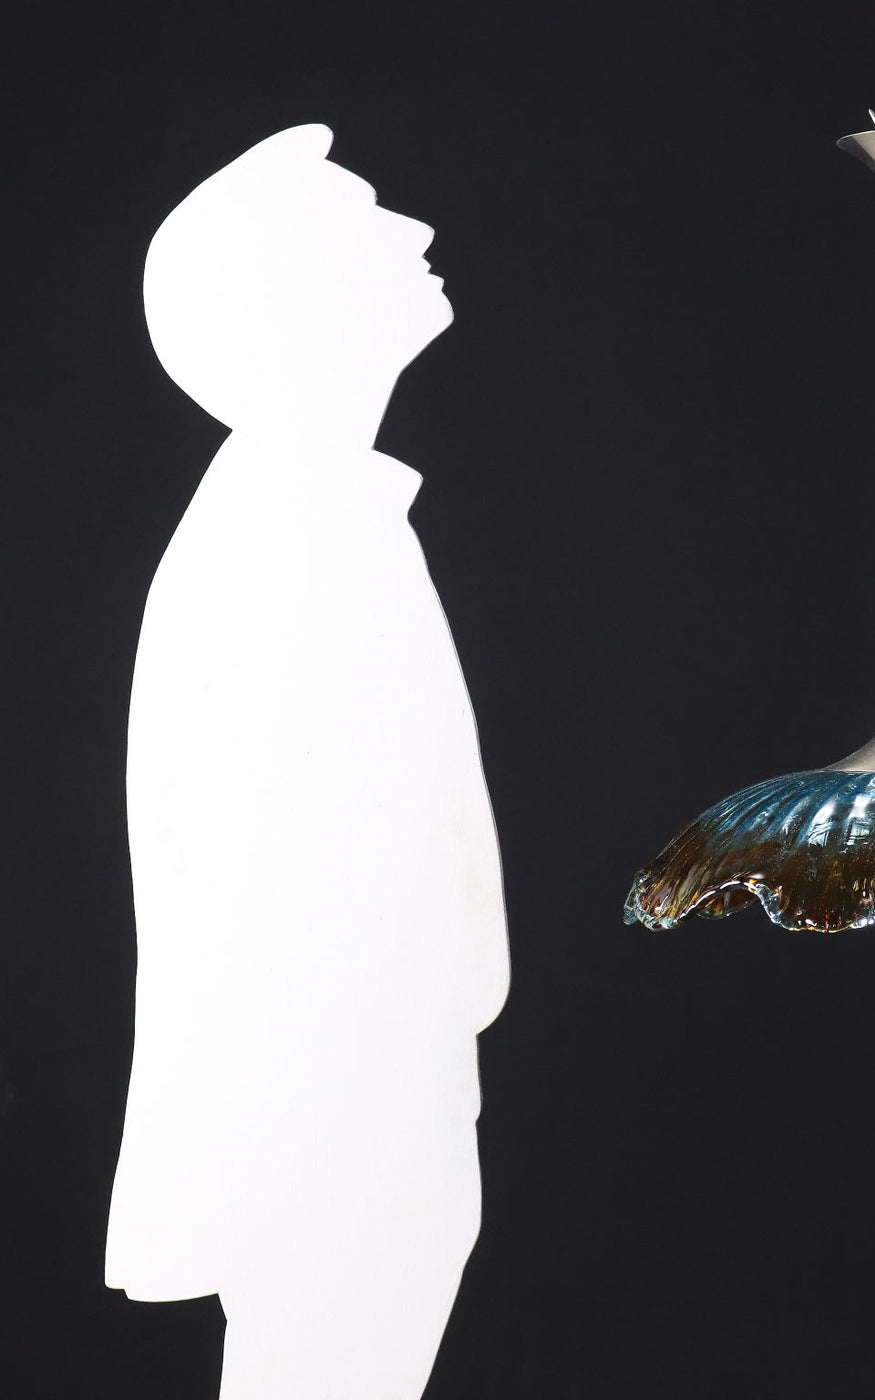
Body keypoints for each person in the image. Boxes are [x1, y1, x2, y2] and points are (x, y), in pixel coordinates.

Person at [105, 124, 510, 1400]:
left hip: (368, 1092)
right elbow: (267, 858)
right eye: (365, 220)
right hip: (332, 1109)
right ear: (291, 296)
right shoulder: (285, 528)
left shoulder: (320, 508)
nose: (415, 232)